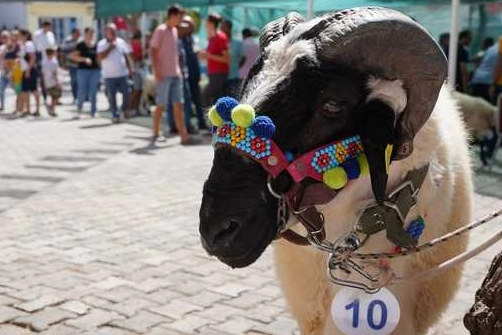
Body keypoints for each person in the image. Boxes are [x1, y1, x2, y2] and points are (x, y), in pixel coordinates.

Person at [150, 4, 199, 144]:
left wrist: (179, 72)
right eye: (179, 16)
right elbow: (152, 51)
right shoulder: (160, 30)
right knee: (161, 105)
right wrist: (156, 71)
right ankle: (155, 133)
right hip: (163, 75)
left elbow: (175, 54)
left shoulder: (175, 31)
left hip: (176, 75)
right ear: (172, 16)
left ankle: (184, 136)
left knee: (179, 105)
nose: (181, 19)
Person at [97, 23, 134, 123]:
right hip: (109, 75)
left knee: (127, 93)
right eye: (111, 31)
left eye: (115, 31)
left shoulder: (121, 42)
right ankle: (115, 115)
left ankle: (124, 110)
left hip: (122, 74)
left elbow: (126, 56)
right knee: (112, 97)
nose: (113, 33)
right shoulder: (101, 44)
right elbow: (100, 58)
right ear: (106, 32)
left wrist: (130, 69)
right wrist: (110, 48)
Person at [179, 15, 206, 130]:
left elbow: (197, 56)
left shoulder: (194, 39)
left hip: (194, 74)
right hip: (184, 75)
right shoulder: (179, 39)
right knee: (186, 101)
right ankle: (187, 125)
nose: (187, 26)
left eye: (189, 24)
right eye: (184, 24)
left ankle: (201, 123)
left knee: (197, 100)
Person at [200, 13, 229, 107]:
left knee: (206, 97)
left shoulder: (220, 37)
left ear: (211, 23)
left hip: (219, 74)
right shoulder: (212, 38)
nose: (205, 24)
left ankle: (212, 121)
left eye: (206, 21)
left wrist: (209, 56)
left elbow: (227, 59)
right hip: (213, 74)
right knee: (213, 99)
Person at [71, 27, 100, 118]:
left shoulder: (96, 45)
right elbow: (73, 56)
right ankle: (79, 110)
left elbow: (99, 58)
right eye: (89, 33)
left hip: (95, 70)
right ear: (85, 34)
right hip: (82, 70)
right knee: (82, 90)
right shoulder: (81, 45)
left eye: (92, 33)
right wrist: (84, 59)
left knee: (93, 91)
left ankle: (93, 110)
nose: (91, 35)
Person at [33, 21, 56, 102]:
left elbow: (53, 46)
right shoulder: (37, 34)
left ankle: (54, 96)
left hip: (50, 57)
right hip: (41, 58)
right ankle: (45, 96)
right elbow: (35, 46)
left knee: (53, 76)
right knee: (43, 78)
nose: (49, 28)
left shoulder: (51, 34)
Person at [19, 29, 40, 116]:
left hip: (29, 70)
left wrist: (28, 71)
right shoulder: (24, 45)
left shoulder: (29, 44)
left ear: (25, 35)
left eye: (20, 35)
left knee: (33, 90)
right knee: (25, 91)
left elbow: (32, 58)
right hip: (25, 70)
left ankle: (37, 110)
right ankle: (28, 110)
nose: (19, 37)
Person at [220, 20, 244, 97]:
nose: (221, 29)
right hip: (220, 77)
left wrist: (236, 66)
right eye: (221, 27)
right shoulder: (218, 42)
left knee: (233, 99)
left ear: (229, 28)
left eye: (223, 27)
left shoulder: (238, 43)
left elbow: (243, 57)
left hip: (233, 77)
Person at [60, 28, 81, 103]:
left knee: (81, 81)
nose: (78, 35)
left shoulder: (81, 41)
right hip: (71, 65)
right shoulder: (67, 41)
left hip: (81, 65)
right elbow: (62, 53)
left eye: (79, 34)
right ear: (73, 34)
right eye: (76, 33)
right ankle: (75, 97)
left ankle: (83, 97)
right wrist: (63, 63)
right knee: (74, 81)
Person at [41, 47, 60, 116]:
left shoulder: (43, 61)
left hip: (46, 81)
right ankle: (52, 108)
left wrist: (43, 82)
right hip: (53, 81)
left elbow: (43, 73)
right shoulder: (54, 62)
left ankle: (51, 108)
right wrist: (57, 82)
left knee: (52, 95)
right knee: (55, 96)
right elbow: (54, 73)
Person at [130, 30, 143, 116]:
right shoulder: (134, 44)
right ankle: (130, 108)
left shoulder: (136, 44)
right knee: (136, 90)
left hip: (138, 68)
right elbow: (134, 57)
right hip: (136, 68)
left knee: (139, 90)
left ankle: (136, 109)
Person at [0, 30, 12, 111]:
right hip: (3, 71)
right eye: (2, 37)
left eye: (5, 37)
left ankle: (19, 107)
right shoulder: (1, 47)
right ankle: (2, 105)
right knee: (1, 89)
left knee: (17, 89)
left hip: (12, 71)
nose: (3, 38)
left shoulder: (12, 46)